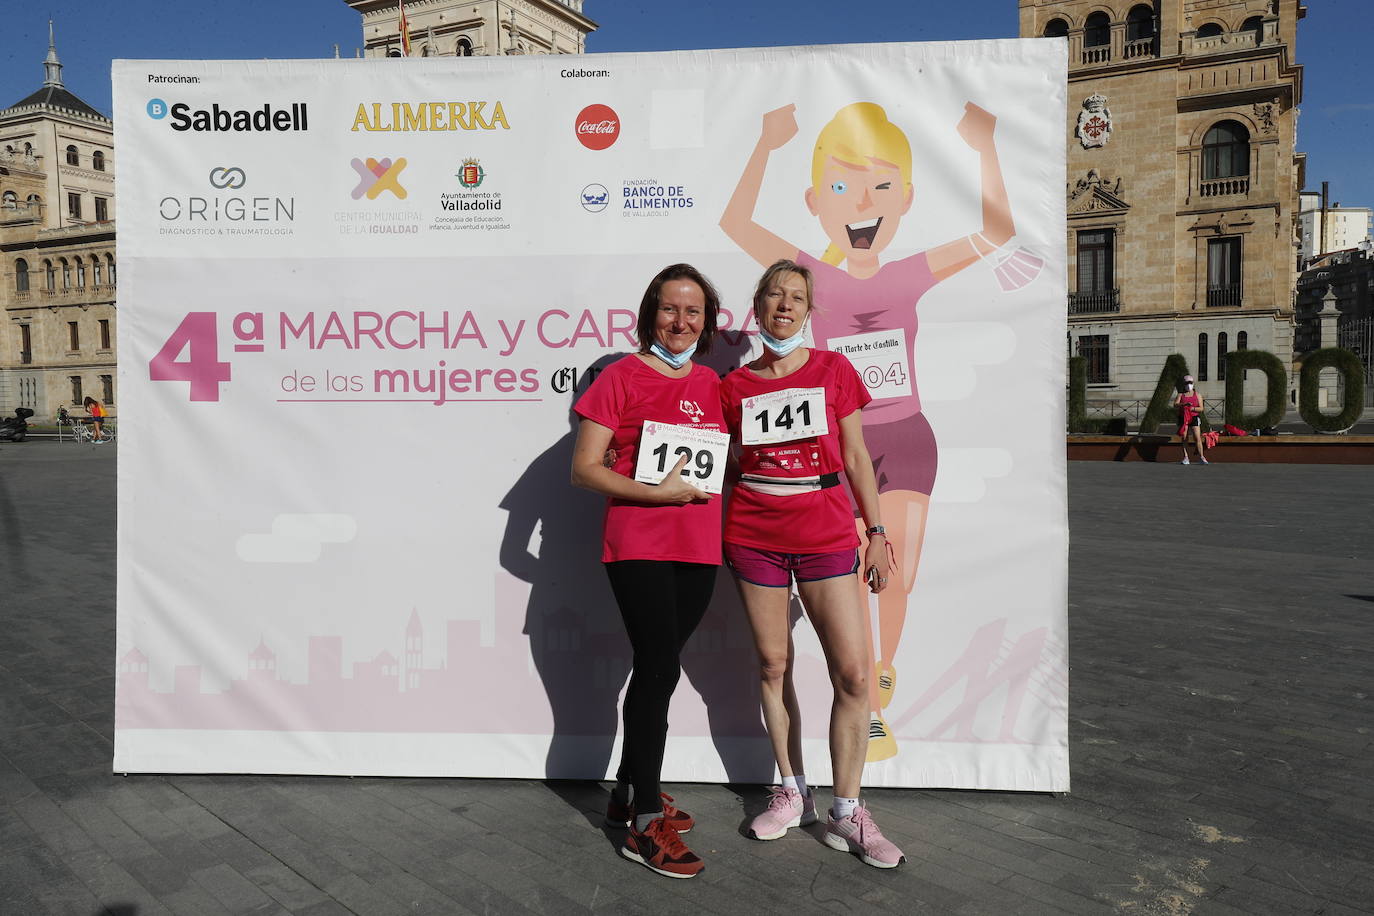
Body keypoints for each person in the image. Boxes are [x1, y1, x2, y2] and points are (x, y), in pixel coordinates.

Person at [720, 99, 1018, 761]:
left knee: (897, 573)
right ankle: (873, 710)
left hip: (905, 437)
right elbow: (735, 221)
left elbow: (996, 231)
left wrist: (985, 145)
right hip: (837, 451)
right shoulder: (808, 275)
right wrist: (766, 143)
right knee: (851, 573)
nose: (861, 202)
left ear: (905, 199)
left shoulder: (910, 273)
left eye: (881, 187)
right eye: (841, 186)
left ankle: (878, 681)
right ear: (816, 199)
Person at [721, 260, 905, 869]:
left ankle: (847, 810)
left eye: (796, 297)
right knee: (774, 663)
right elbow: (719, 464)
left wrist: (876, 531)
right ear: (758, 306)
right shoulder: (734, 386)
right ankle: (792, 789)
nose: (784, 305)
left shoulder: (833, 369)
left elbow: (855, 454)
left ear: (808, 309)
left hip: (825, 533)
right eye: (773, 295)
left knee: (853, 675)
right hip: (753, 533)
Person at [569, 263, 727, 879]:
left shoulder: (714, 383)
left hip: (699, 546)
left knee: (658, 670)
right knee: (659, 667)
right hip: (639, 542)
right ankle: (642, 827)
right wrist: (653, 493)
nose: (681, 321)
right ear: (649, 313)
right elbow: (585, 469)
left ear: (706, 323)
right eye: (670, 309)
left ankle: (628, 794)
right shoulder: (620, 376)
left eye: (693, 312)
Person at [1175, 375, 1208, 465]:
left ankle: (1201, 457)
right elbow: (1175, 404)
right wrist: (1183, 404)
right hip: (1184, 417)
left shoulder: (1197, 395)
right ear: (1184, 384)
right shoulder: (1181, 395)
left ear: (1193, 384)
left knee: (1197, 437)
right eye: (1187, 383)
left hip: (1194, 417)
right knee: (1184, 437)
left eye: (1190, 383)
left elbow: (1201, 408)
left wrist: (1192, 408)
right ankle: (1186, 457)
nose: (1188, 385)